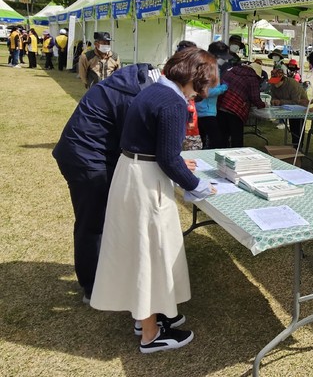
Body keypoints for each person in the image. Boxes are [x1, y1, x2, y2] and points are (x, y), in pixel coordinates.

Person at [90, 47, 218, 354]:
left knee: (140, 250)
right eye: (208, 82)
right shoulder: (173, 102)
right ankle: (150, 334)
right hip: (144, 181)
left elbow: (159, 148)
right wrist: (199, 186)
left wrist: (173, 162)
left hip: (133, 170)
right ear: (196, 78)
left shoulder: (154, 90)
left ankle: (145, 316)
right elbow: (169, 159)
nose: (208, 90)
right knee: (150, 252)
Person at [53, 63, 162, 303]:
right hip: (86, 160)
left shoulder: (130, 81)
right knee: (93, 223)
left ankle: (108, 273)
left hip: (92, 154)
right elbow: (136, 143)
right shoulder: (133, 97)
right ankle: (92, 286)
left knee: (107, 218)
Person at [217, 61, 266, 148]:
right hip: (236, 109)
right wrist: (262, 105)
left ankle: (221, 154)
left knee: (223, 136)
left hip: (221, 105)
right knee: (236, 138)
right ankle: (237, 156)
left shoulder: (231, 71)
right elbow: (255, 98)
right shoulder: (252, 78)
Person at [198, 41, 229, 149]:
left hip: (206, 109)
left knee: (206, 140)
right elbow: (206, 91)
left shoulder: (208, 66)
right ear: (215, 56)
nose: (225, 60)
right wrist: (223, 88)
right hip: (204, 111)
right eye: (223, 58)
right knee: (216, 141)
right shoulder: (208, 69)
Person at [268, 68, 309, 147]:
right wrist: (273, 101)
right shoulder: (273, 85)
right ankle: (295, 146)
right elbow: (273, 97)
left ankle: (298, 147)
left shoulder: (292, 84)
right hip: (286, 108)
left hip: (300, 107)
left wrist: (281, 102)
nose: (275, 84)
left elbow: (296, 101)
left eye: (276, 82)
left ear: (282, 79)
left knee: (297, 127)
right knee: (293, 128)